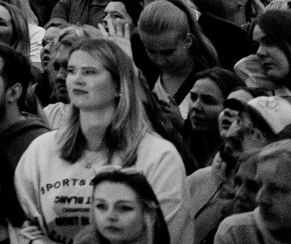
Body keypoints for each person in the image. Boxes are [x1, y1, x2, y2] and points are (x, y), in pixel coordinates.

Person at [13, 34, 189, 244]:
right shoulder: (42, 149)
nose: (77, 79)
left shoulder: (159, 156)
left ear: (118, 85)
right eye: (72, 71)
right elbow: (22, 225)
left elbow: (166, 235)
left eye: (90, 72)